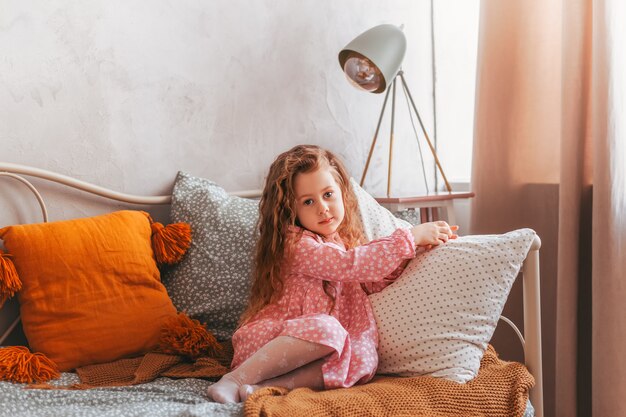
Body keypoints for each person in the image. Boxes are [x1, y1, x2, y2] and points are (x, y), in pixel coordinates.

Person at [207, 145, 458, 403]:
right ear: (291, 210)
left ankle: (263, 387)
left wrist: (412, 252)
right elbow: (349, 265)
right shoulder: (295, 244)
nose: (323, 208)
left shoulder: (347, 241)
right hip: (273, 343)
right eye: (308, 201)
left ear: (342, 194)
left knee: (364, 359)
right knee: (328, 329)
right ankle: (235, 379)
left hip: (323, 348)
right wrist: (408, 237)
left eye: (328, 194)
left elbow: (372, 280)